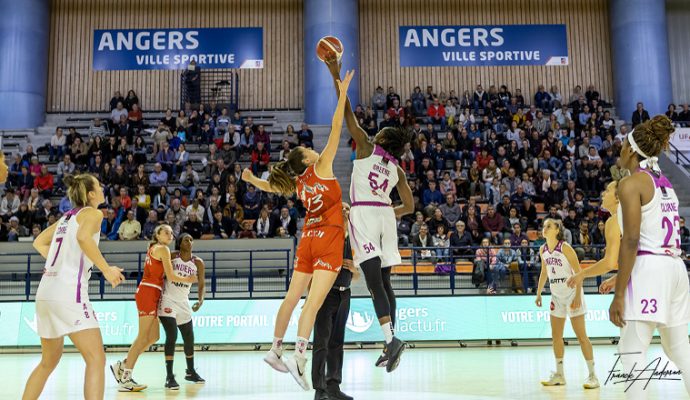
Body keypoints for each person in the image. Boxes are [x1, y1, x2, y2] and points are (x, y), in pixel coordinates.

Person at [241, 70, 354, 391]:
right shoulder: (322, 167)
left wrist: (251, 181)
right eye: (308, 148)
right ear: (306, 158)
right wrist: (342, 93)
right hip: (329, 238)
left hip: (308, 239)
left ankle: (276, 349)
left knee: (292, 298)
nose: (314, 148)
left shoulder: (297, 182)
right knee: (312, 305)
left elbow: (271, 186)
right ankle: (299, 359)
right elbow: (336, 128)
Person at [326, 58, 414, 372]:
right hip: (386, 218)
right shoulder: (397, 169)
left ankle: (391, 341)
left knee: (374, 283)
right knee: (386, 283)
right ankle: (392, 338)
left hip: (363, 215)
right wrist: (391, 212)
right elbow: (411, 207)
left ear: (381, 139)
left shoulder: (365, 147)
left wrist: (336, 75)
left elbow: (347, 112)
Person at [608, 116, 690, 399]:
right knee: (679, 350)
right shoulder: (664, 181)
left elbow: (631, 240)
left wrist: (619, 293)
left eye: (621, 145)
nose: (619, 150)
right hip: (676, 269)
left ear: (630, 150)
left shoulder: (631, 184)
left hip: (649, 268)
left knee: (631, 352)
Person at [22, 174, 125, 400]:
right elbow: (83, 238)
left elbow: (38, 241)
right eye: (98, 186)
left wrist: (60, 261)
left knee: (48, 362)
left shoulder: (66, 217)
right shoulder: (94, 213)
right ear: (90, 194)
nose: (102, 188)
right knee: (96, 358)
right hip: (69, 293)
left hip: (46, 292)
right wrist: (106, 269)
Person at [110, 224, 197, 392]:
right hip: (149, 291)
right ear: (157, 235)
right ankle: (126, 378)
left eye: (172, 232)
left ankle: (122, 365)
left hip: (152, 292)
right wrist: (189, 279)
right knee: (142, 337)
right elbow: (171, 276)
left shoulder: (153, 247)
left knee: (154, 337)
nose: (170, 234)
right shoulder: (162, 249)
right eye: (166, 232)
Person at [535, 218, 599, 389]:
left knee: (581, 336)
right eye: (544, 226)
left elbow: (579, 272)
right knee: (556, 336)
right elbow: (544, 272)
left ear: (557, 230)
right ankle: (559, 375)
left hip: (572, 293)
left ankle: (593, 375)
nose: (545, 228)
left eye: (549, 225)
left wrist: (578, 295)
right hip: (556, 296)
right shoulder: (542, 249)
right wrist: (539, 293)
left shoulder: (565, 247)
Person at [312, 203, 357, 400]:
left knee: (337, 342)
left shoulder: (353, 240)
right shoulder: (328, 235)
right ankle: (319, 389)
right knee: (321, 342)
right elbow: (316, 265)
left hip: (345, 294)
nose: (346, 211)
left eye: (348, 209)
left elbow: (356, 276)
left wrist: (354, 268)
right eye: (342, 209)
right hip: (326, 293)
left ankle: (333, 387)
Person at [158, 233, 206, 389]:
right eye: (187, 239)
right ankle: (169, 376)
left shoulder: (198, 262)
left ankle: (190, 371)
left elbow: (201, 284)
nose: (190, 242)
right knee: (172, 335)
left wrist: (200, 300)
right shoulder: (171, 256)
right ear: (179, 242)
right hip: (168, 299)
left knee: (189, 338)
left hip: (184, 302)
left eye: (192, 240)